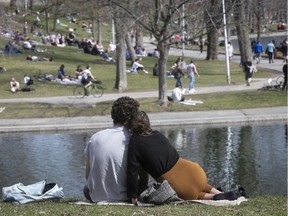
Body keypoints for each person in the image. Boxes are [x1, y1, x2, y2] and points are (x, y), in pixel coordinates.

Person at [126, 111, 246, 204]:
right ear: (148, 123)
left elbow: (132, 172)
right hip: (195, 170)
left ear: (131, 127)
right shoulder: (157, 134)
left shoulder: (134, 142)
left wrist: (133, 196)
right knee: (201, 185)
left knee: (196, 196)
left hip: (179, 184)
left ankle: (216, 197)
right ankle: (223, 193)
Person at [83, 96, 140, 203]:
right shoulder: (132, 139)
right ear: (132, 118)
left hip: (95, 196)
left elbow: (88, 173)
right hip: (124, 197)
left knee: (86, 189)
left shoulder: (95, 137)